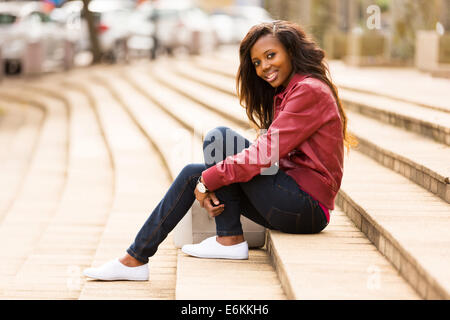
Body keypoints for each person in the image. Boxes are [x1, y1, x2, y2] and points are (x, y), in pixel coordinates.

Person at [83, 20, 356, 281]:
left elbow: (264, 154)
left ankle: (228, 239)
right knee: (194, 172)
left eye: (271, 55)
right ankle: (135, 259)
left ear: (291, 50)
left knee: (220, 140)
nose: (264, 67)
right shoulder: (287, 92)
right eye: (257, 62)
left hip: (306, 206)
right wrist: (205, 179)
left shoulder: (309, 91)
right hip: (291, 200)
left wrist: (208, 182)